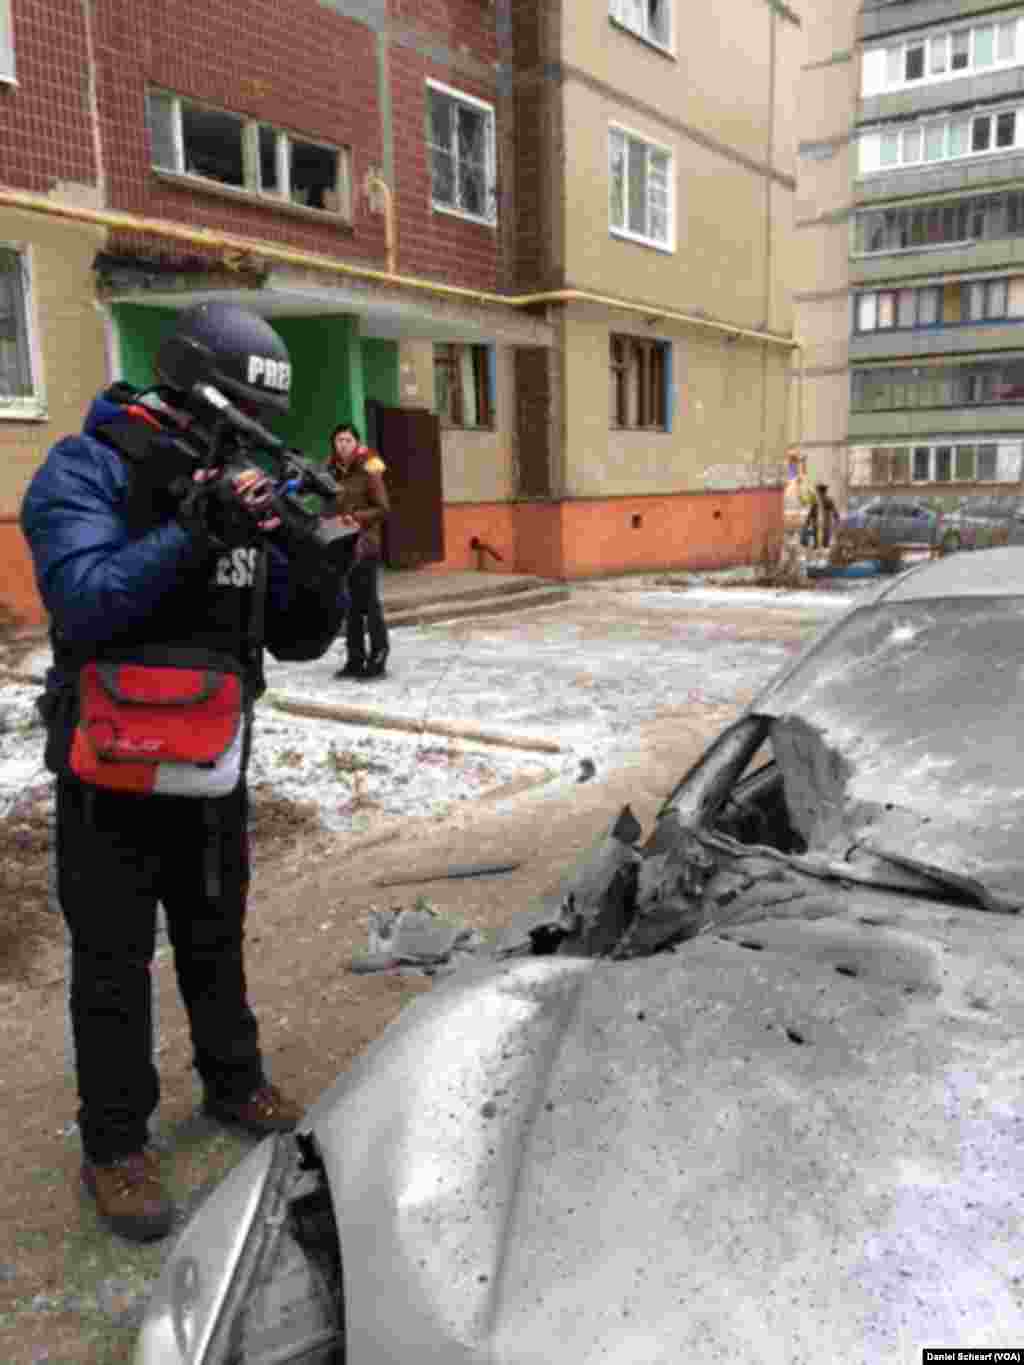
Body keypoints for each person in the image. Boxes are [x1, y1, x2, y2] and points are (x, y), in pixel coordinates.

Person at [20, 302, 352, 1243]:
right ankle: (115, 1143)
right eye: (232, 417)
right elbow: (84, 600)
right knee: (113, 960)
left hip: (209, 766)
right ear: (186, 390)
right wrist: (192, 530)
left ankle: (233, 1080)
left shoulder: (244, 486)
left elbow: (289, 634)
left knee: (215, 933)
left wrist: (318, 561)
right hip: (109, 772)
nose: (244, 444)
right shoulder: (88, 468)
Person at [327, 423, 391, 680]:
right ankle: (355, 658)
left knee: (369, 603)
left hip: (365, 545)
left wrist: (357, 518)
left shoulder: (369, 469)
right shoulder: (331, 470)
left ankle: (378, 656)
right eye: (339, 440)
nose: (343, 445)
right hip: (341, 545)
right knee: (350, 604)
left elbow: (383, 508)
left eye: (348, 440)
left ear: (356, 443)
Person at [803, 482, 839, 550]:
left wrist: (807, 523)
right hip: (825, 525)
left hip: (819, 525)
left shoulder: (819, 501)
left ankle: (819, 548)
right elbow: (835, 512)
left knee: (819, 542)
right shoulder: (828, 500)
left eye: (818, 491)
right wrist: (837, 519)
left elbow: (811, 513)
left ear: (819, 492)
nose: (818, 493)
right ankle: (822, 548)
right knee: (824, 542)